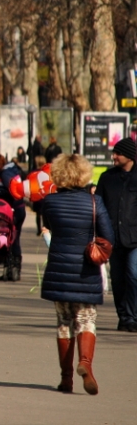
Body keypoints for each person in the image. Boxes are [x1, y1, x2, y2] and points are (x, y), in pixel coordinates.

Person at [42, 154, 115, 395]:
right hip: (86, 269)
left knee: (64, 322)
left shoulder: (49, 202)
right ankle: (85, 363)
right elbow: (107, 237)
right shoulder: (95, 202)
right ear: (84, 174)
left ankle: (66, 379)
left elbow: (50, 227)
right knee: (86, 319)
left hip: (59, 268)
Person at [94, 137, 137, 332]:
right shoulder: (107, 177)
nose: (114, 156)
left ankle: (133, 315)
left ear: (129, 156)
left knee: (134, 275)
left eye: (117, 153)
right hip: (112, 238)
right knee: (118, 280)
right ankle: (124, 317)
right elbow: (98, 205)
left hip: (134, 238)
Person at [0, 153, 26, 280]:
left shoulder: (5, 174)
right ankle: (14, 269)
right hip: (20, 207)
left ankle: (13, 268)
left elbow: (10, 191)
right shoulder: (13, 169)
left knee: (12, 239)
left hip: (13, 209)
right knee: (14, 238)